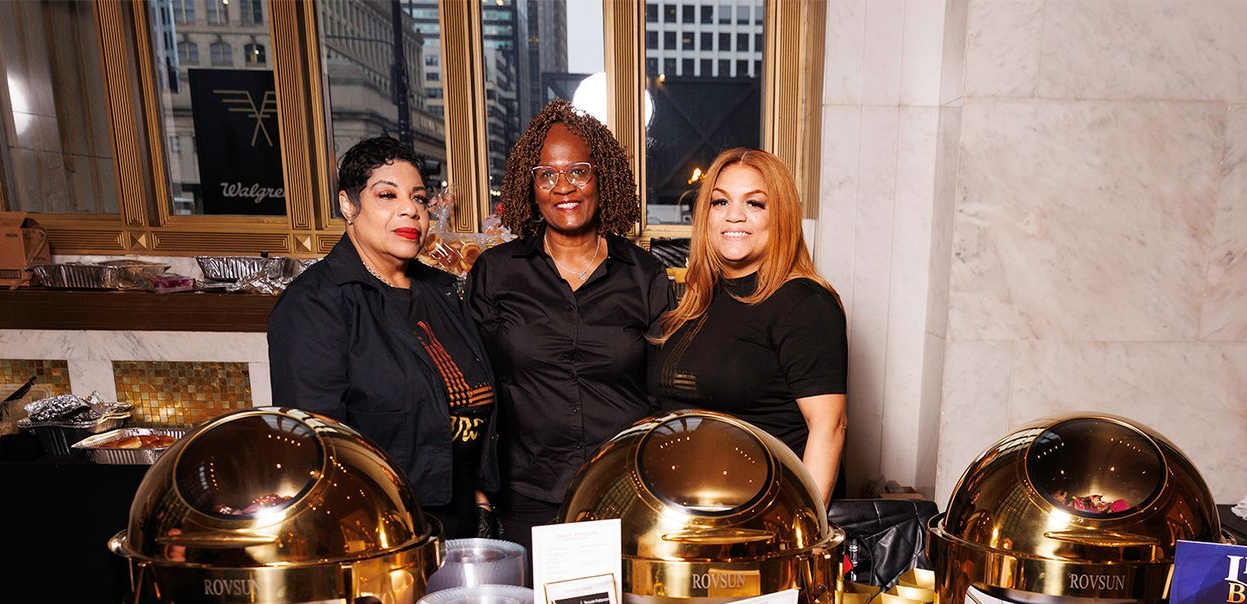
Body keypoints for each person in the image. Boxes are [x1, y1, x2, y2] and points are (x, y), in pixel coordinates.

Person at [467, 101, 674, 556]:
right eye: (547, 175)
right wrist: (478, 489)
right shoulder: (496, 272)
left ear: (603, 178)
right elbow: (475, 388)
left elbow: (662, 394)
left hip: (623, 492)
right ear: (531, 186)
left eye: (578, 172)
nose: (564, 187)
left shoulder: (643, 275)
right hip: (527, 495)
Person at [269, 135, 497, 539]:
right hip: (380, 528)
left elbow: (469, 404)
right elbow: (315, 446)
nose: (410, 209)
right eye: (387, 195)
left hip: (462, 521)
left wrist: (480, 494)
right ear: (348, 205)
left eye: (419, 198)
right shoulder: (316, 304)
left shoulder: (444, 290)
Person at [649, 148, 847, 503]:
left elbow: (829, 427)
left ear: (781, 217)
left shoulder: (805, 303)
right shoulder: (699, 299)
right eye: (720, 202)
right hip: (693, 510)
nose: (734, 216)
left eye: (754, 203)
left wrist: (805, 524)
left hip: (767, 515)